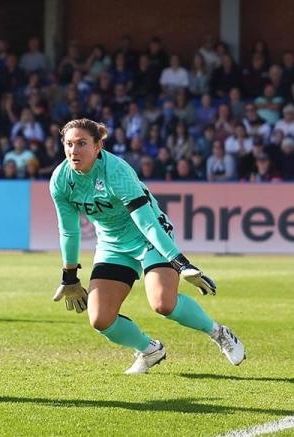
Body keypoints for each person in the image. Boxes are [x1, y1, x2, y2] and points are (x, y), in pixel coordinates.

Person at [49, 118, 245, 374]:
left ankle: (219, 333)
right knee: (100, 319)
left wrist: (181, 263)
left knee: (163, 304)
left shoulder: (116, 171)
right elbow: (69, 231)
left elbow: (147, 223)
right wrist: (70, 277)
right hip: (112, 244)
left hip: (148, 237)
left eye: (82, 143)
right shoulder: (61, 180)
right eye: (69, 144)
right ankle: (149, 350)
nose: (74, 151)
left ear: (98, 146)